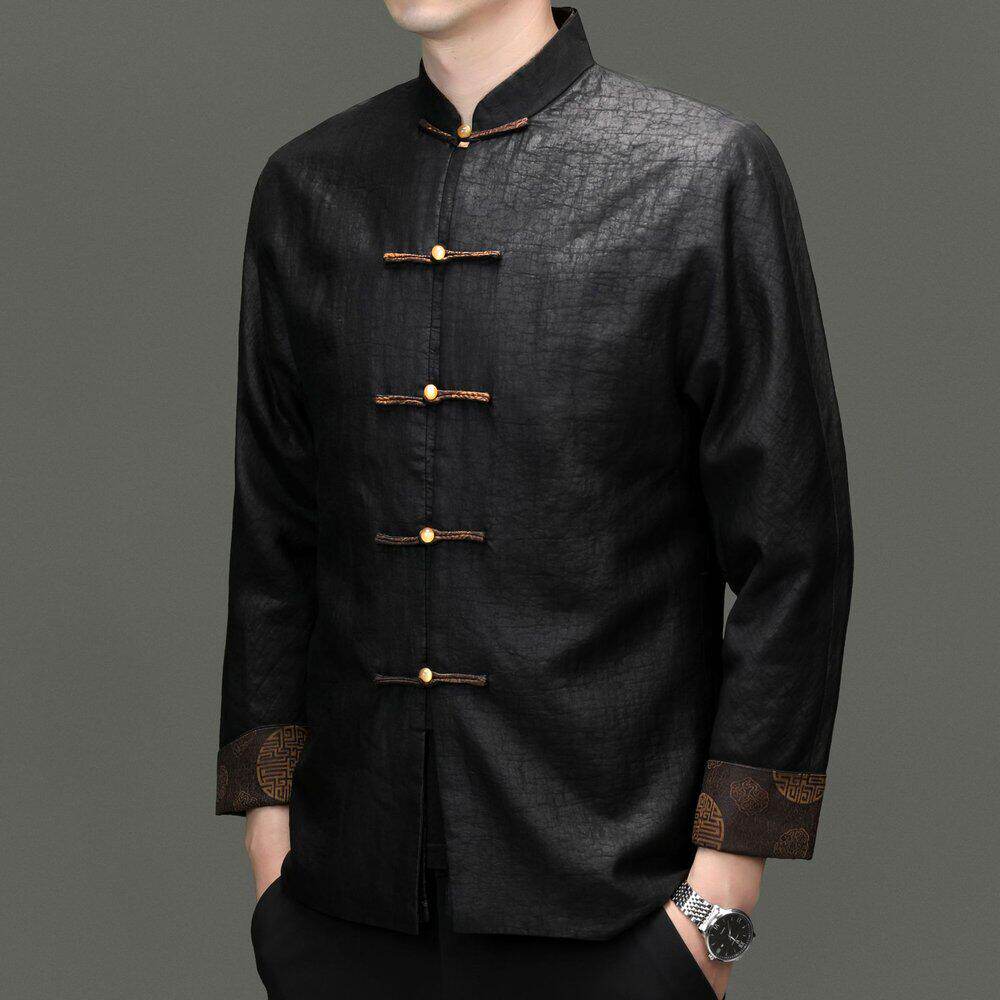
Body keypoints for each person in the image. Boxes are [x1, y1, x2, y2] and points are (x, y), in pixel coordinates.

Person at [215, 3, 853, 997]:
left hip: (618, 911)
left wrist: (717, 905)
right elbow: (274, 535)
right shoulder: (308, 186)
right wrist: (270, 846)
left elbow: (795, 549)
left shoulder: (701, 173)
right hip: (339, 910)